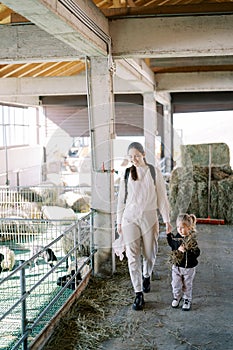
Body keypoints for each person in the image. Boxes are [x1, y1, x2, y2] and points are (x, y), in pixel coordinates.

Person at [116, 142, 171, 311]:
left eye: (137, 156)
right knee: (133, 256)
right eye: (131, 157)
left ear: (144, 154)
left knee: (149, 253)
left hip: (149, 217)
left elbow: (162, 197)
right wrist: (119, 222)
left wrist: (167, 220)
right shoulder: (126, 173)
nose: (134, 160)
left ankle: (147, 275)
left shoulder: (154, 172)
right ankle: (138, 293)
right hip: (130, 218)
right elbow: (121, 199)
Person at [167, 213, 200, 311]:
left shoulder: (191, 241)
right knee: (175, 283)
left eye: (182, 227)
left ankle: (187, 299)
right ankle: (176, 297)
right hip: (176, 267)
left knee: (187, 284)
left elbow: (197, 252)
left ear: (189, 228)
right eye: (178, 227)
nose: (179, 230)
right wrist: (168, 234)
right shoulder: (177, 238)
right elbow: (172, 244)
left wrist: (187, 250)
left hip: (188, 268)